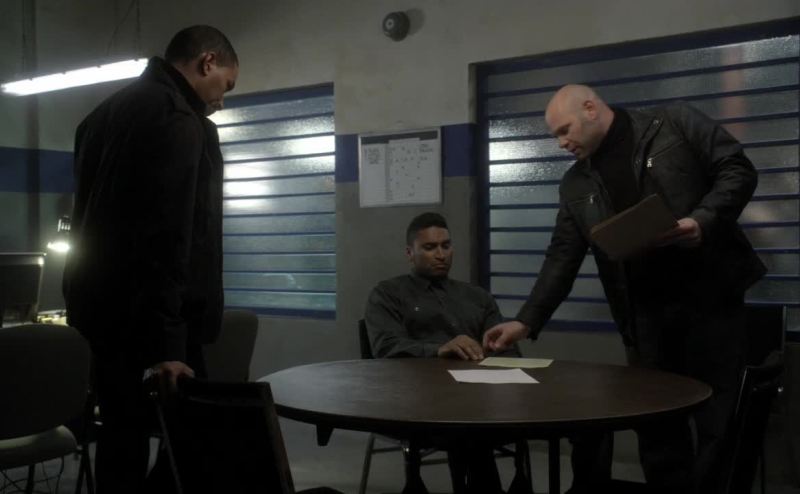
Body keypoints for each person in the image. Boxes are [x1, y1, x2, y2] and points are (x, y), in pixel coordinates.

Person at [483, 84, 766, 494]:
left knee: (717, 422)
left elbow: (738, 170)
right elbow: (563, 255)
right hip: (644, 317)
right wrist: (525, 322)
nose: (561, 143)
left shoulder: (675, 123)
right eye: (555, 135)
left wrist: (702, 221)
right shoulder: (575, 184)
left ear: (590, 109)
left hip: (711, 301)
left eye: (564, 130)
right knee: (656, 425)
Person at [63, 25, 239, 493]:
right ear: (207, 62)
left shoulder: (98, 118)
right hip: (158, 322)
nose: (222, 100)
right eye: (225, 84)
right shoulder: (179, 120)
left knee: (121, 440)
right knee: (196, 441)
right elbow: (170, 237)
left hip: (101, 316)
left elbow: (94, 223)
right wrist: (167, 346)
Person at [365, 212, 523, 494]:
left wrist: (497, 351)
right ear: (410, 253)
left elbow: (508, 350)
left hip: (479, 399)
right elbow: (386, 347)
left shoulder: (477, 297)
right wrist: (439, 349)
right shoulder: (388, 294)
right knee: (469, 429)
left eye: (446, 246)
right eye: (429, 247)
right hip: (417, 403)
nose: (441, 254)